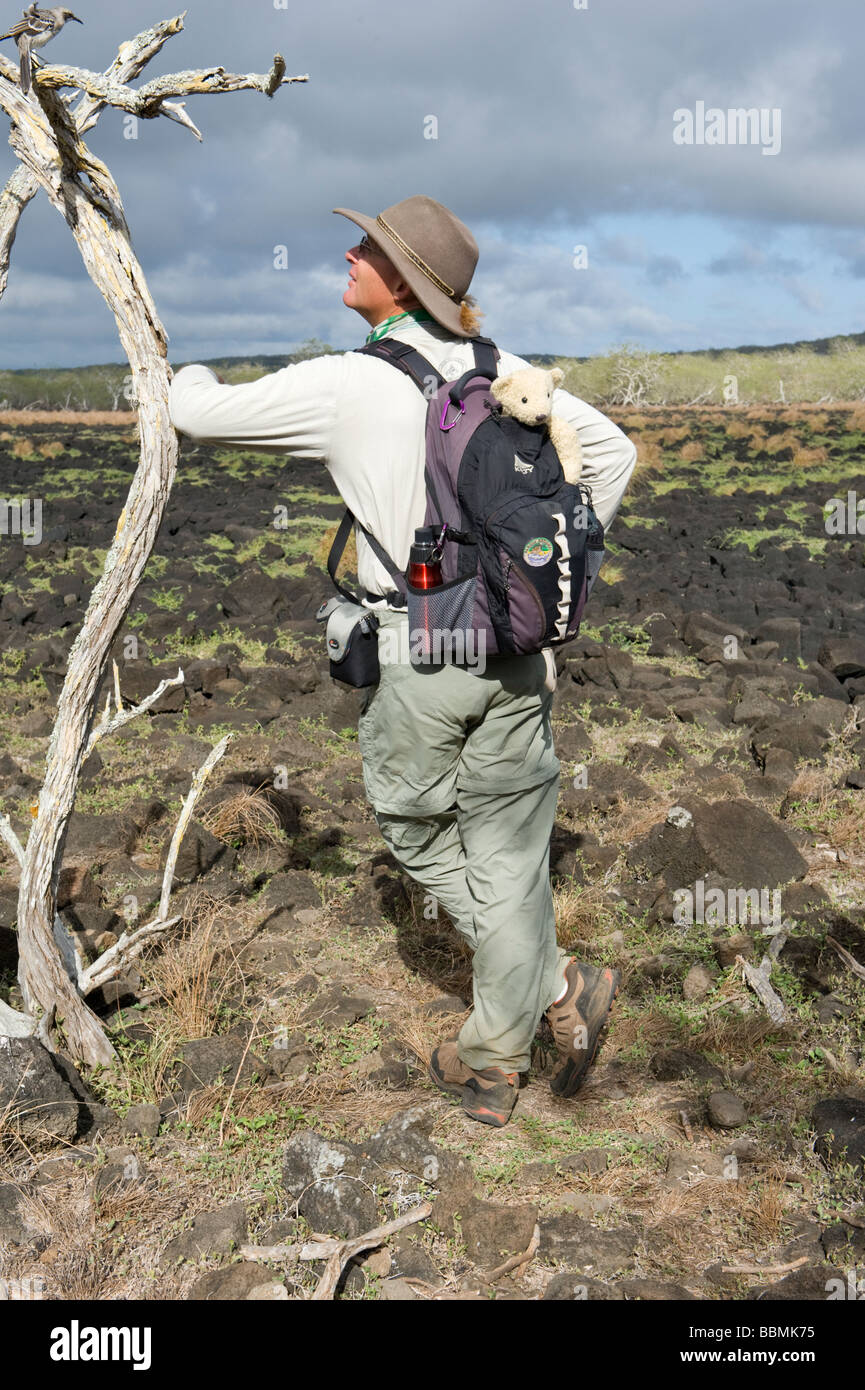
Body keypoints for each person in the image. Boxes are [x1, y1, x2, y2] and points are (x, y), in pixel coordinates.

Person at [169, 194, 637, 1128]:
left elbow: (199, 412)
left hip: (422, 643)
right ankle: (505, 1048)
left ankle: (539, 999)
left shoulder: (353, 381)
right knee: (507, 850)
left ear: (402, 284)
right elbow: (613, 454)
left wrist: (180, 360)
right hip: (513, 646)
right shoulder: (503, 373)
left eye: (368, 247)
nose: (348, 253)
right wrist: (537, 573)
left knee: (415, 826)